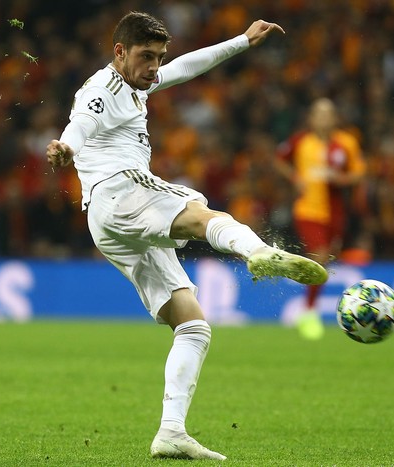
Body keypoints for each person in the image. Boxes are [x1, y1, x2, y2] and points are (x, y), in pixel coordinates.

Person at [46, 11, 328, 461]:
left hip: (109, 224)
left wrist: (241, 41)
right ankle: (257, 252)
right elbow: (83, 121)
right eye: (146, 57)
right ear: (119, 52)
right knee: (199, 214)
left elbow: (186, 67)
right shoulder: (105, 88)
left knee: (193, 326)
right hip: (120, 191)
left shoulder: (139, 82)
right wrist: (66, 147)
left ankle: (171, 433)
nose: (155, 67)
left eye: (158, 57)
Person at [274, 98, 366, 340]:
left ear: (334, 118)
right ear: (311, 118)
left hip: (335, 211)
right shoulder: (301, 141)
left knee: (326, 261)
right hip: (308, 211)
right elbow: (279, 159)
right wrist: (296, 179)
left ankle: (305, 297)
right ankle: (309, 313)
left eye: (328, 114)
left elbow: (359, 172)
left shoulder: (346, 143)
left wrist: (341, 180)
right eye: (319, 114)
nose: (323, 118)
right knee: (321, 256)